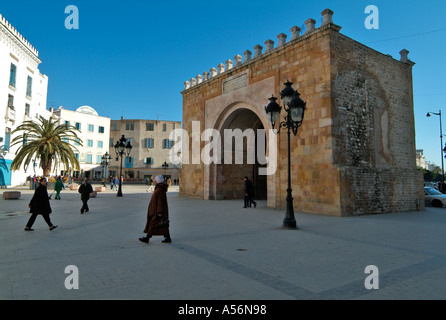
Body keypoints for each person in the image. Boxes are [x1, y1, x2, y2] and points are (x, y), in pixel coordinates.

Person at [139, 175, 171, 244]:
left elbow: (160, 201)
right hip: (156, 210)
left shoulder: (160, 190)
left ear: (158, 181)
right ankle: (167, 237)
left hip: (157, 211)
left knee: (153, 224)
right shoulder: (159, 189)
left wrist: (160, 212)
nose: (154, 181)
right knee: (163, 225)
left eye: (155, 180)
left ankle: (147, 238)